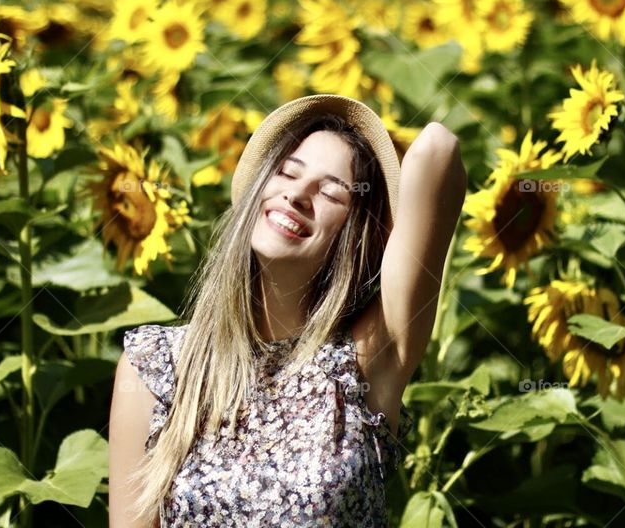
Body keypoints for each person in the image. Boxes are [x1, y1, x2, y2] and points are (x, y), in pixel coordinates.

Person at [109, 93, 466, 527]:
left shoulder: (366, 363)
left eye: (331, 193)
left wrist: (374, 152)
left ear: (355, 238)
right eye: (286, 172)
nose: (297, 194)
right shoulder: (158, 366)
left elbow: (437, 148)